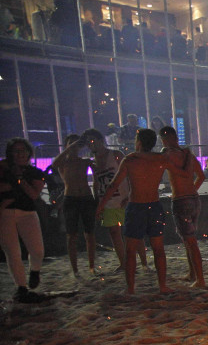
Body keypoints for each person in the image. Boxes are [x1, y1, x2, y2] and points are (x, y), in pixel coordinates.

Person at [96, 129, 174, 295]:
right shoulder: (160, 159)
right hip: (154, 205)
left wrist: (101, 205)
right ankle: (162, 286)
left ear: (138, 141)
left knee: (130, 250)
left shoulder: (131, 160)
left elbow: (113, 185)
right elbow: (178, 170)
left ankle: (130, 288)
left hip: (137, 207)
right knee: (158, 249)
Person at [85, 128, 147, 271]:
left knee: (133, 232)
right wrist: (98, 201)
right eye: (88, 143)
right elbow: (96, 181)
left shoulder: (115, 155)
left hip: (123, 198)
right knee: (114, 232)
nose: (90, 144)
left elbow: (131, 174)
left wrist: (131, 194)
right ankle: (124, 263)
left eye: (93, 141)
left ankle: (144, 263)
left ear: (101, 141)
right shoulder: (94, 161)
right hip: (106, 200)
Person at [0, 138, 47, 302]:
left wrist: (18, 180)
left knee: (37, 250)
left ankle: (35, 271)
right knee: (12, 251)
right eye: (16, 150)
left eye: (23, 150)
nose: (20, 154)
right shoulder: (3, 168)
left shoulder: (34, 172)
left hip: (26, 211)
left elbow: (34, 194)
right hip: (5, 212)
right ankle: (21, 287)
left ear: (28, 152)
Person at [160, 126, 205, 288]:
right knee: (188, 238)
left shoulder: (168, 155)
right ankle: (192, 273)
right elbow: (201, 176)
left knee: (191, 241)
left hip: (181, 200)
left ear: (165, 139)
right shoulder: (189, 155)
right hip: (194, 199)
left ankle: (200, 279)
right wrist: (191, 189)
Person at [52, 133, 97, 276]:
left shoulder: (84, 162)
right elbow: (54, 164)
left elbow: (98, 171)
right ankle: (75, 269)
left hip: (86, 197)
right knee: (71, 235)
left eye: (76, 144)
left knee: (89, 234)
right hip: (70, 198)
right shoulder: (63, 162)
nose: (73, 147)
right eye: (71, 144)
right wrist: (68, 148)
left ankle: (91, 267)